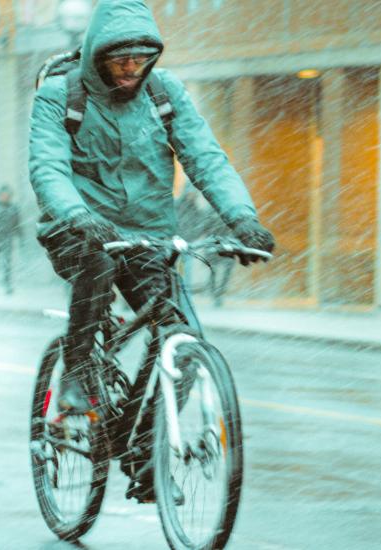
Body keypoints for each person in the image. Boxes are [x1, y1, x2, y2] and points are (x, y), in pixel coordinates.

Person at [30, 0, 274, 415]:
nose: (131, 68)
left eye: (141, 59)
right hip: (78, 231)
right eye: (121, 59)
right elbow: (47, 167)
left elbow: (205, 158)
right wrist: (79, 216)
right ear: (97, 56)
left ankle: (143, 452)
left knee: (182, 339)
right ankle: (75, 372)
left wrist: (243, 219)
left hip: (148, 236)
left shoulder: (165, 92)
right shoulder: (60, 95)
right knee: (97, 264)